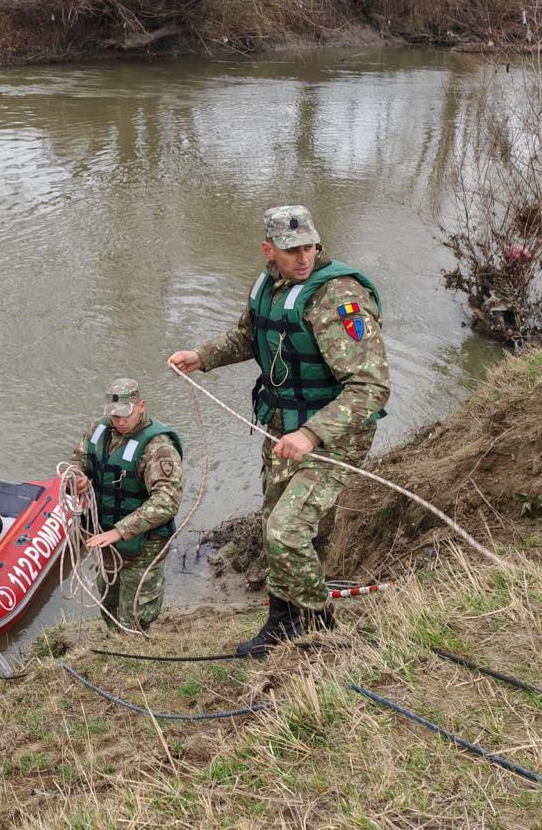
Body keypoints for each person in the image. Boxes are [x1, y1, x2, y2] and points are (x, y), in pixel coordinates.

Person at [167, 205, 389, 657]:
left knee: (286, 532)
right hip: (281, 428)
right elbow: (250, 335)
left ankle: (320, 625)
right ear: (269, 250)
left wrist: (312, 434)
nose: (303, 257)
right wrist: (203, 356)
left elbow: (371, 388)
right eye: (291, 251)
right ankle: (282, 620)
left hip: (336, 435)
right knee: (273, 525)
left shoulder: (338, 297)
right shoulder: (268, 284)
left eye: (309, 247)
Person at [67, 378, 183, 632]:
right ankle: (114, 635)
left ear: (141, 406)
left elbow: (167, 501)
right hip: (106, 538)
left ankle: (135, 649)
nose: (119, 422)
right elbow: (76, 463)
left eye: (125, 416)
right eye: (113, 416)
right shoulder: (98, 431)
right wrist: (77, 479)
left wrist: (120, 531)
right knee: (108, 598)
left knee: (135, 613)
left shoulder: (158, 447)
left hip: (143, 543)